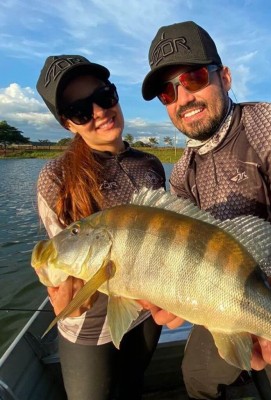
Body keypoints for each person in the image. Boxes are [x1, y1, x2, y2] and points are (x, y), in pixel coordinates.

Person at [140, 21, 271, 400]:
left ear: (226, 77)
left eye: (193, 77)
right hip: (225, 302)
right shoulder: (184, 172)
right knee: (198, 376)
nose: (182, 98)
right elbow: (191, 256)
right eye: (167, 93)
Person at [35, 55, 166, 400]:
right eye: (80, 110)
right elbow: (62, 263)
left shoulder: (150, 164)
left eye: (104, 96)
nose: (99, 111)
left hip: (144, 312)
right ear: (68, 124)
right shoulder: (56, 178)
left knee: (134, 385)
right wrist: (64, 295)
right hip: (89, 326)